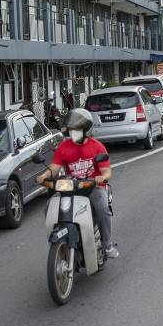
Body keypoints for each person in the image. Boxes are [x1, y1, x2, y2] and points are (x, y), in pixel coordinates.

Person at [36, 108, 118, 259]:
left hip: (92, 187)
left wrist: (101, 178)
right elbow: (54, 167)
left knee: (102, 208)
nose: (73, 132)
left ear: (86, 130)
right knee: (49, 206)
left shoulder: (97, 146)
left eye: (76, 129)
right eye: (71, 129)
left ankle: (107, 245)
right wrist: (44, 176)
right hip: (71, 187)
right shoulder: (64, 147)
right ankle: (59, 241)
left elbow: (107, 172)